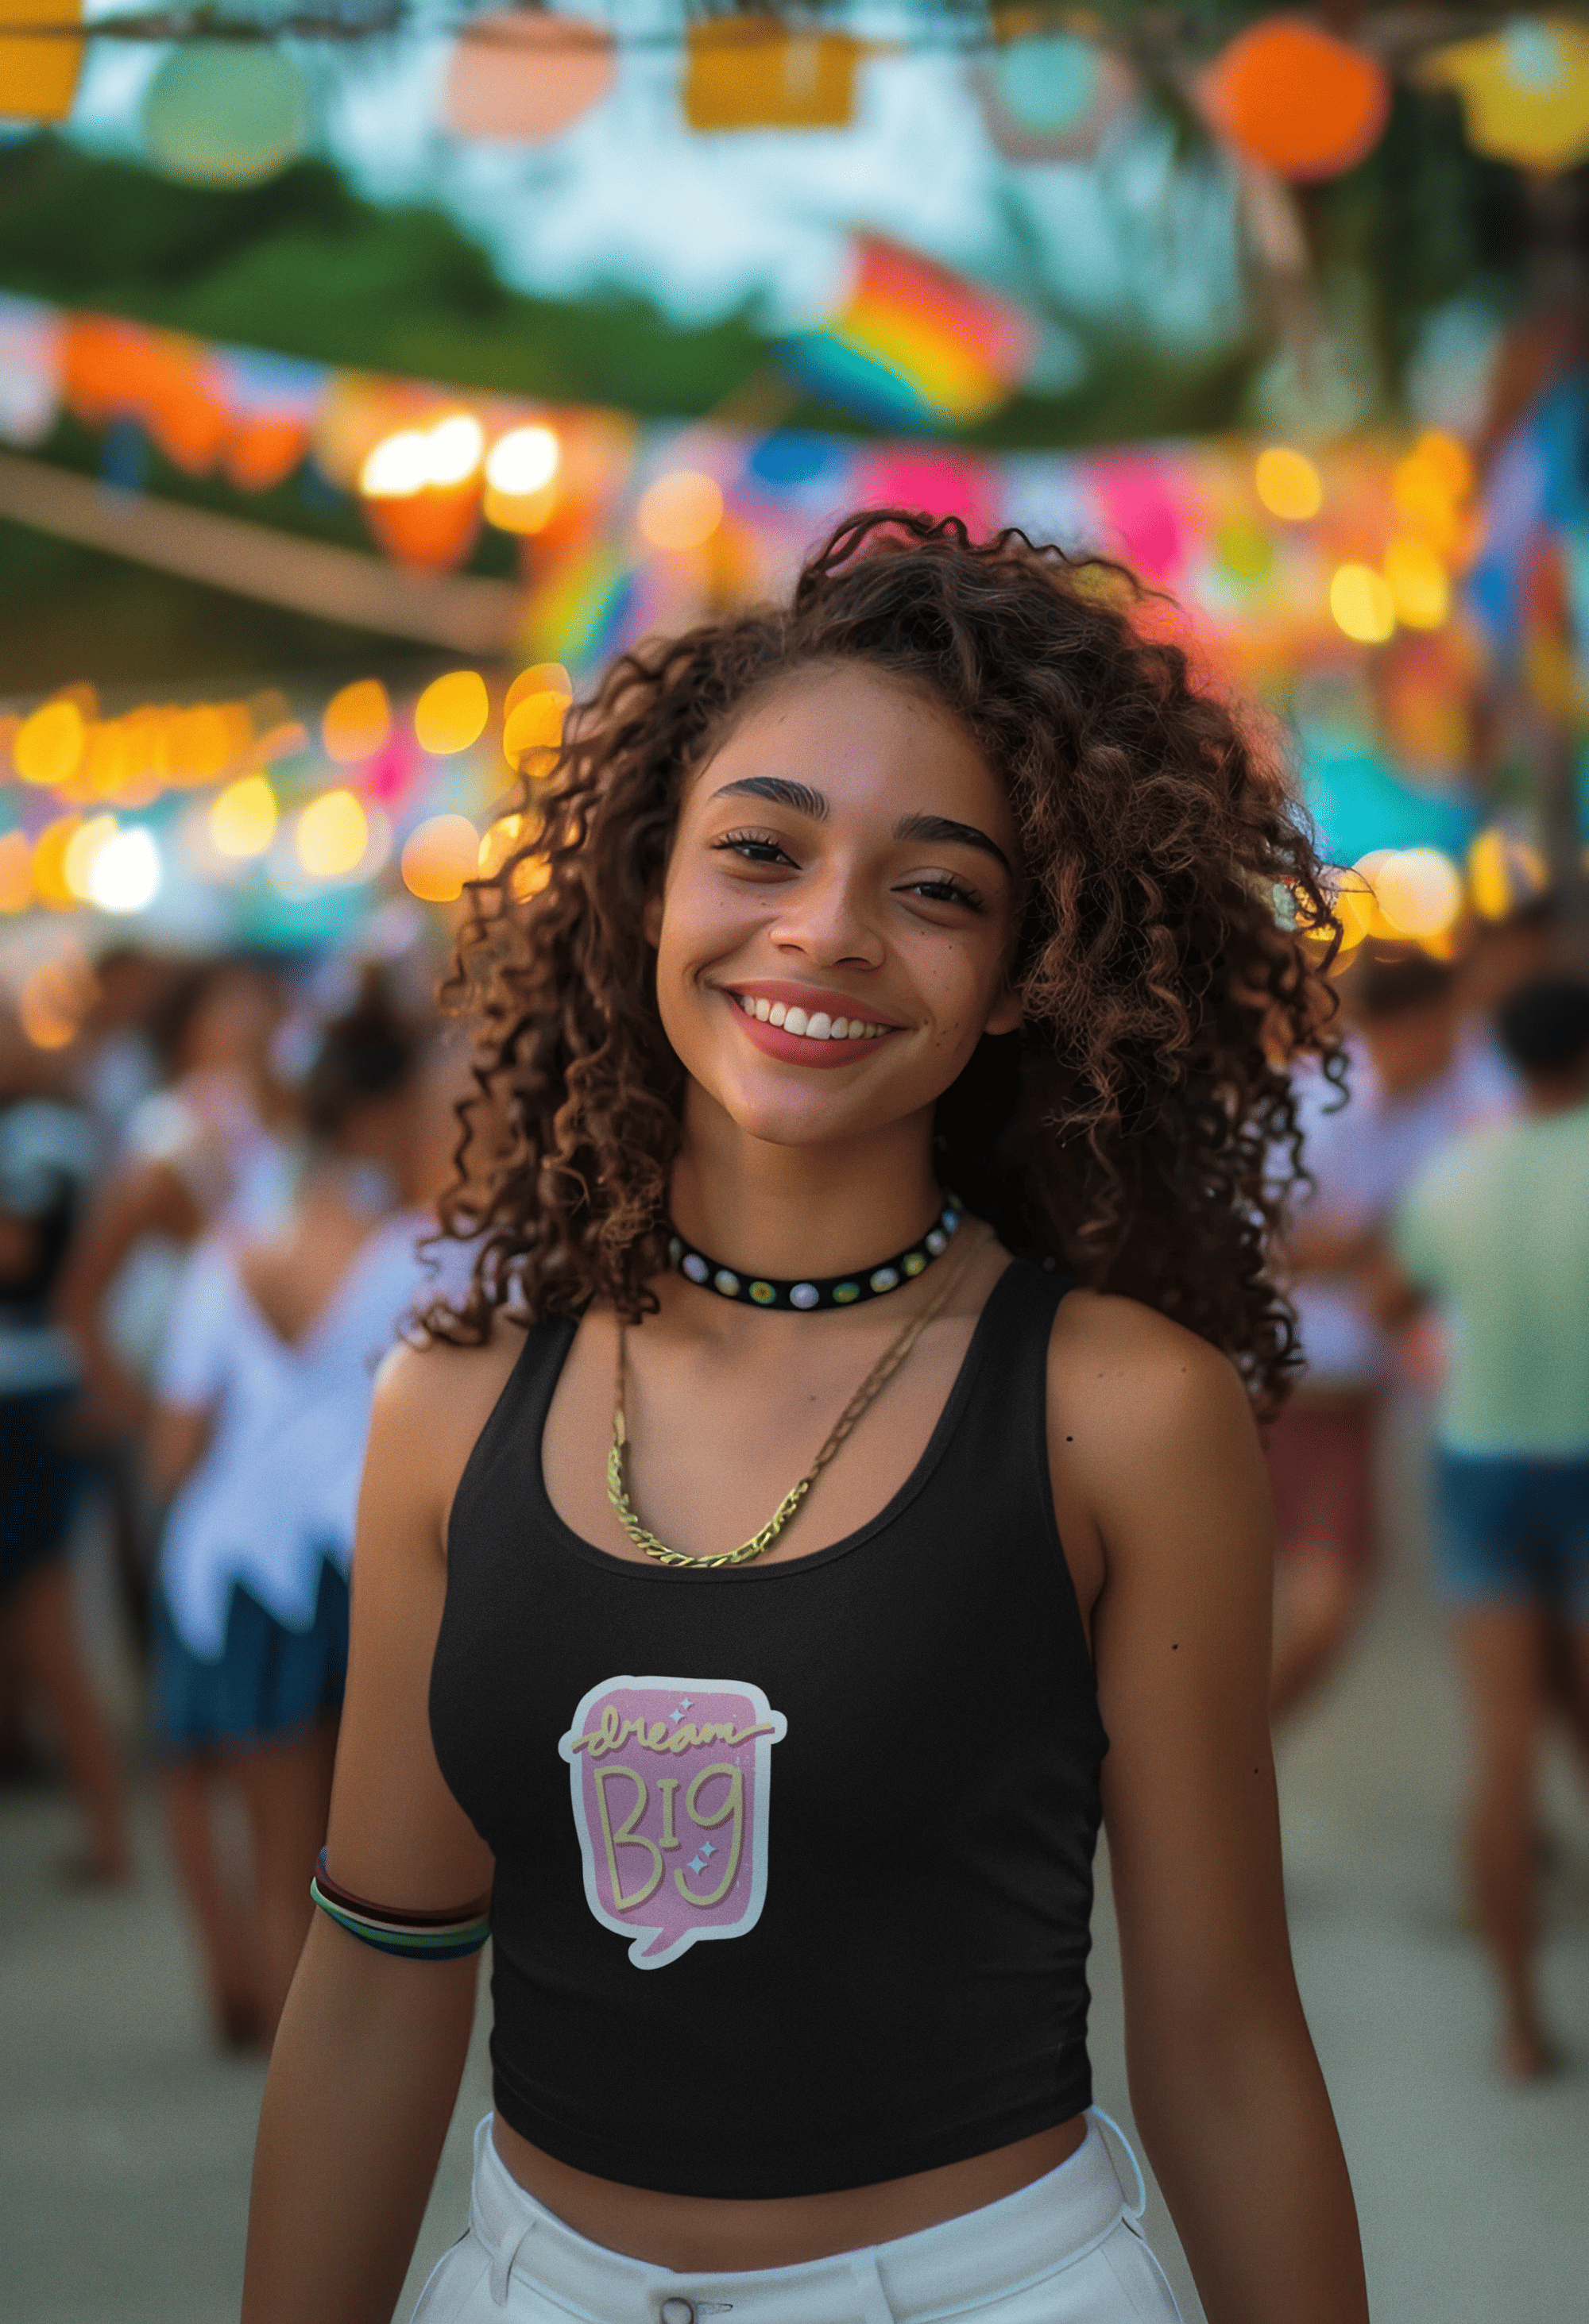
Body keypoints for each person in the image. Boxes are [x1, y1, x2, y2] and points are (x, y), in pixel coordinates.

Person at [244, 512, 1368, 2324]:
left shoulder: (1119, 1415)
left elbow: (1223, 2042)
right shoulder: (443, 1408)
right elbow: (378, 1975)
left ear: (1023, 972)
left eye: (935, 888)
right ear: (644, 891)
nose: (825, 931)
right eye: (759, 848)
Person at [148, 975, 442, 2049]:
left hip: (231, 1562)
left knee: (270, 1844)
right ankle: (317, 2073)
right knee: (340, 1855)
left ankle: (274, 2045)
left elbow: (176, 1440)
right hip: (356, 1566)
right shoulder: (432, 1253)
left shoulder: (232, 1248)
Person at [1386, 975, 1589, 2080]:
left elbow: (1391, 1299)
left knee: (1503, 1754)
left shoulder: (1456, 1173)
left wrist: (1439, 1364)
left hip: (1482, 1462)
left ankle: (1517, 2025)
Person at [1268, 950, 1515, 1717]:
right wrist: (1380, 1252)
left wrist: (1369, 1253)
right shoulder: (1318, 1102)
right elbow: (1257, 1244)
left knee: (1328, 1603)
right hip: (1293, 1383)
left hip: (1376, 1387)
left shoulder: (1483, 1088)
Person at [0, 1007, 131, 1881]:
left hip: (29, 1392)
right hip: (31, 1390)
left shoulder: (39, 1130)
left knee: (46, 1627)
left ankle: (109, 1834)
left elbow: (20, 1255)